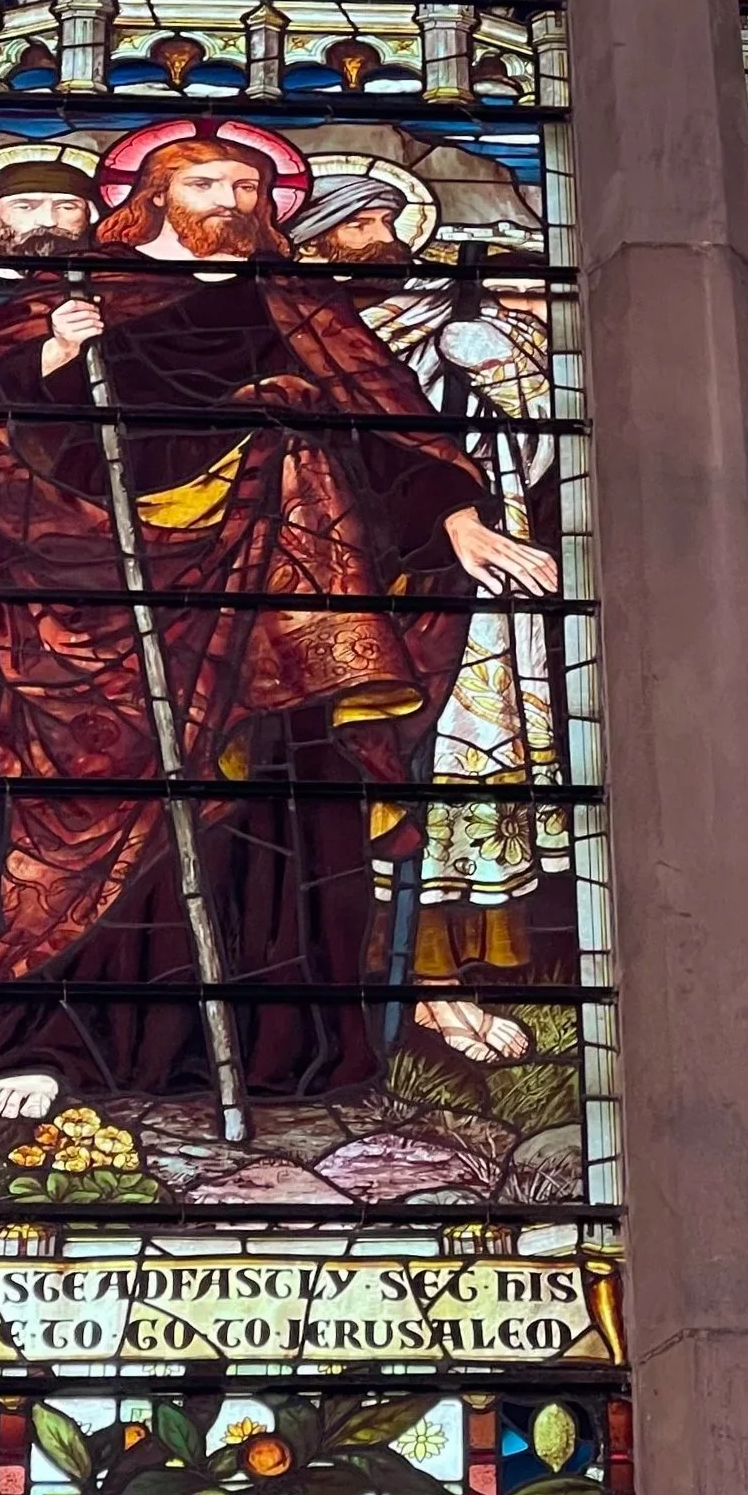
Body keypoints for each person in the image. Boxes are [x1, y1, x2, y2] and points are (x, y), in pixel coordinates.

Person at [0, 123, 554, 1117]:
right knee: (118, 812)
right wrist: (55, 350)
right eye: (211, 181)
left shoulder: (296, 301)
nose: (234, 199)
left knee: (288, 814)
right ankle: (55, 1039)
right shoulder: (77, 295)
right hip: (123, 607)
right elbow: (0, 441)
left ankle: (293, 1056)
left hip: (292, 619)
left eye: (251, 186)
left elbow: (387, 420)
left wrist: (456, 516)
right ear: (152, 191)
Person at [291, 160, 565, 1056]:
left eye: (388, 218)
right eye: (361, 222)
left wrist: (502, 356)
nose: (385, 236)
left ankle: (440, 985)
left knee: (450, 761)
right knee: (348, 765)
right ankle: (348, 978)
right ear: (317, 235)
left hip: (458, 566)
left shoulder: (451, 316)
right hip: (321, 568)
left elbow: (530, 432)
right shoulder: (291, 323)